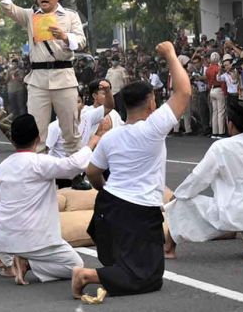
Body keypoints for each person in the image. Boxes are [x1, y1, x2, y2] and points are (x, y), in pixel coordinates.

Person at [72, 41, 192, 299]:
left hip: (109, 209)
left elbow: (93, 172)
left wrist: (104, 190)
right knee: (148, 277)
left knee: (141, 269)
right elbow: (184, 92)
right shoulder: (152, 129)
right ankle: (87, 275)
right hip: (137, 212)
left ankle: (109, 272)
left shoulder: (111, 137)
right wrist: (171, 54)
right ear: (151, 103)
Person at [164, 77, 243, 260]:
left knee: (181, 204)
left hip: (233, 213)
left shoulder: (221, 148)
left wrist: (177, 196)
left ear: (230, 125)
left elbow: (198, 178)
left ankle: (168, 248)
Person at [0, 114, 104, 285]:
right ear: (38, 138)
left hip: (1, 239)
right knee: (75, 265)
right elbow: (74, 165)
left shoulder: (2, 168)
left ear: (12, 141)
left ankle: (13, 261)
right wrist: (93, 141)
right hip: (36, 240)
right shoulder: (40, 163)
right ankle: (28, 263)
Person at [0, 0, 86, 154]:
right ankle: (39, 174)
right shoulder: (30, 16)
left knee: (71, 130)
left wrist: (65, 36)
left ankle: (75, 174)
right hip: (38, 80)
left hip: (64, 78)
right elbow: (9, 8)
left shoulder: (70, 16)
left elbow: (82, 42)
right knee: (36, 132)